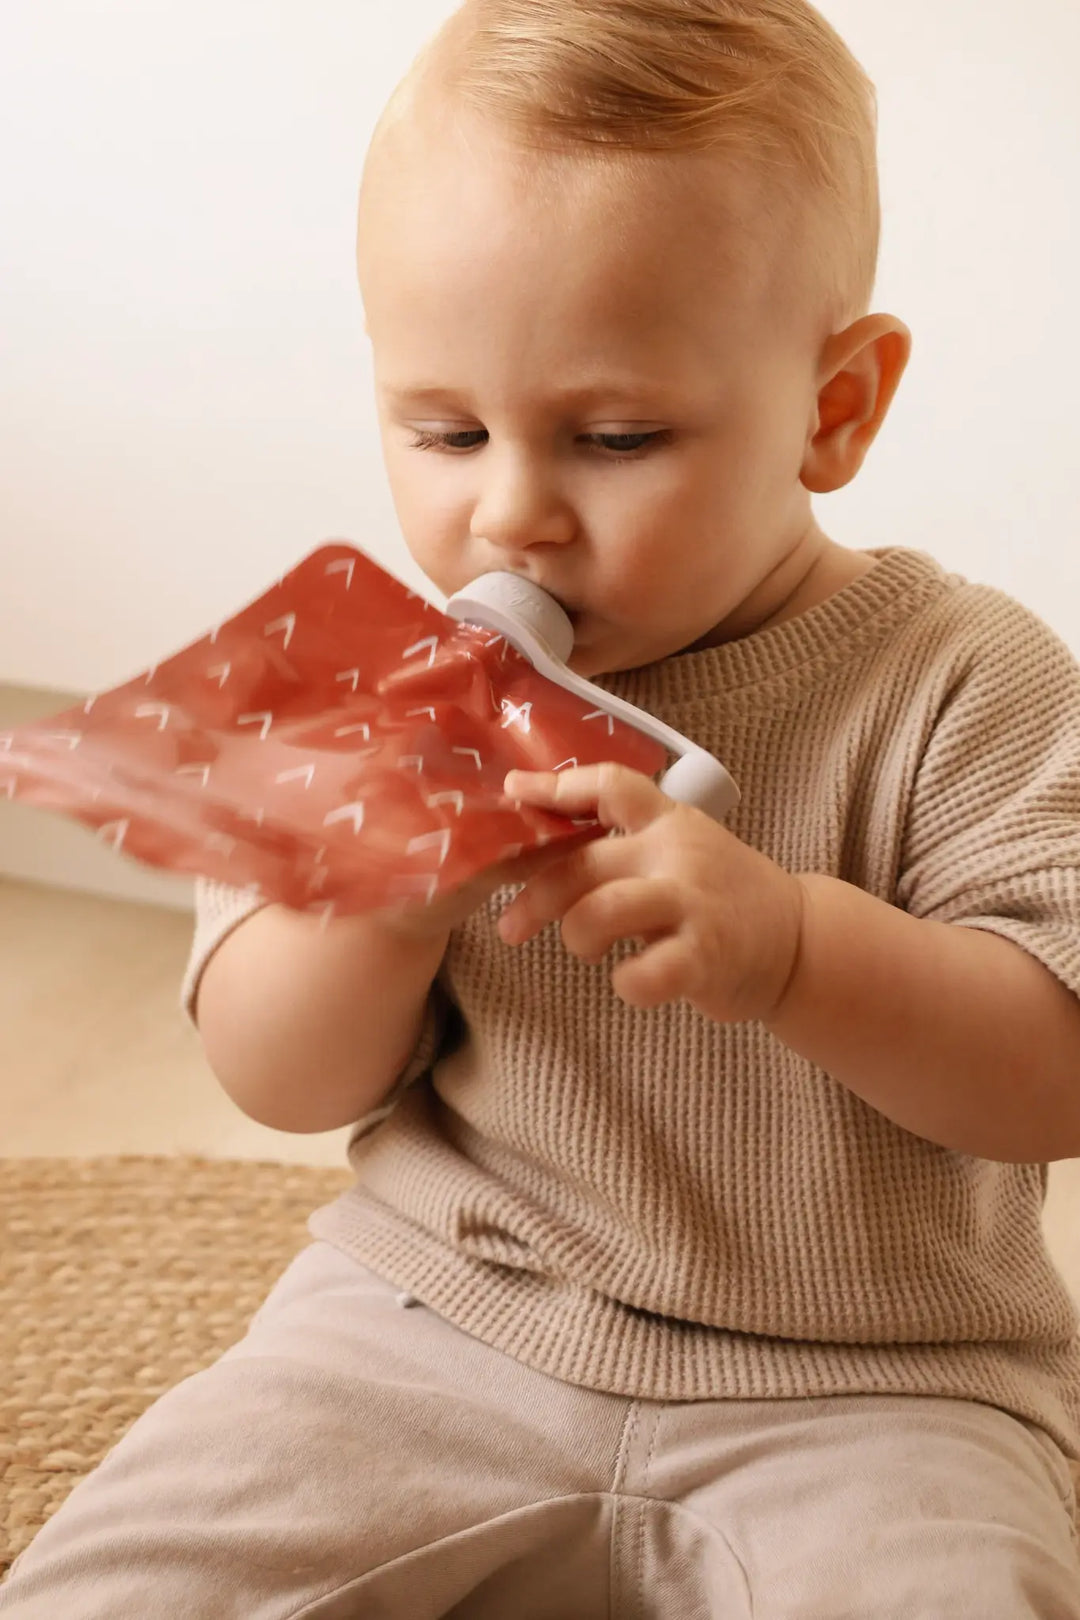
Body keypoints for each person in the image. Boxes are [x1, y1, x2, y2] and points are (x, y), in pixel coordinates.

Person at [5, 0, 1080, 1614]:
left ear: (834, 408)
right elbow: (281, 1080)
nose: (509, 511)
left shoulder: (967, 680)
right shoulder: (361, 671)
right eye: (444, 430)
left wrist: (790, 952)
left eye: (618, 436)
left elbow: (1055, 1074)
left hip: (882, 1380)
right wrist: (378, 888)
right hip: (433, 1313)